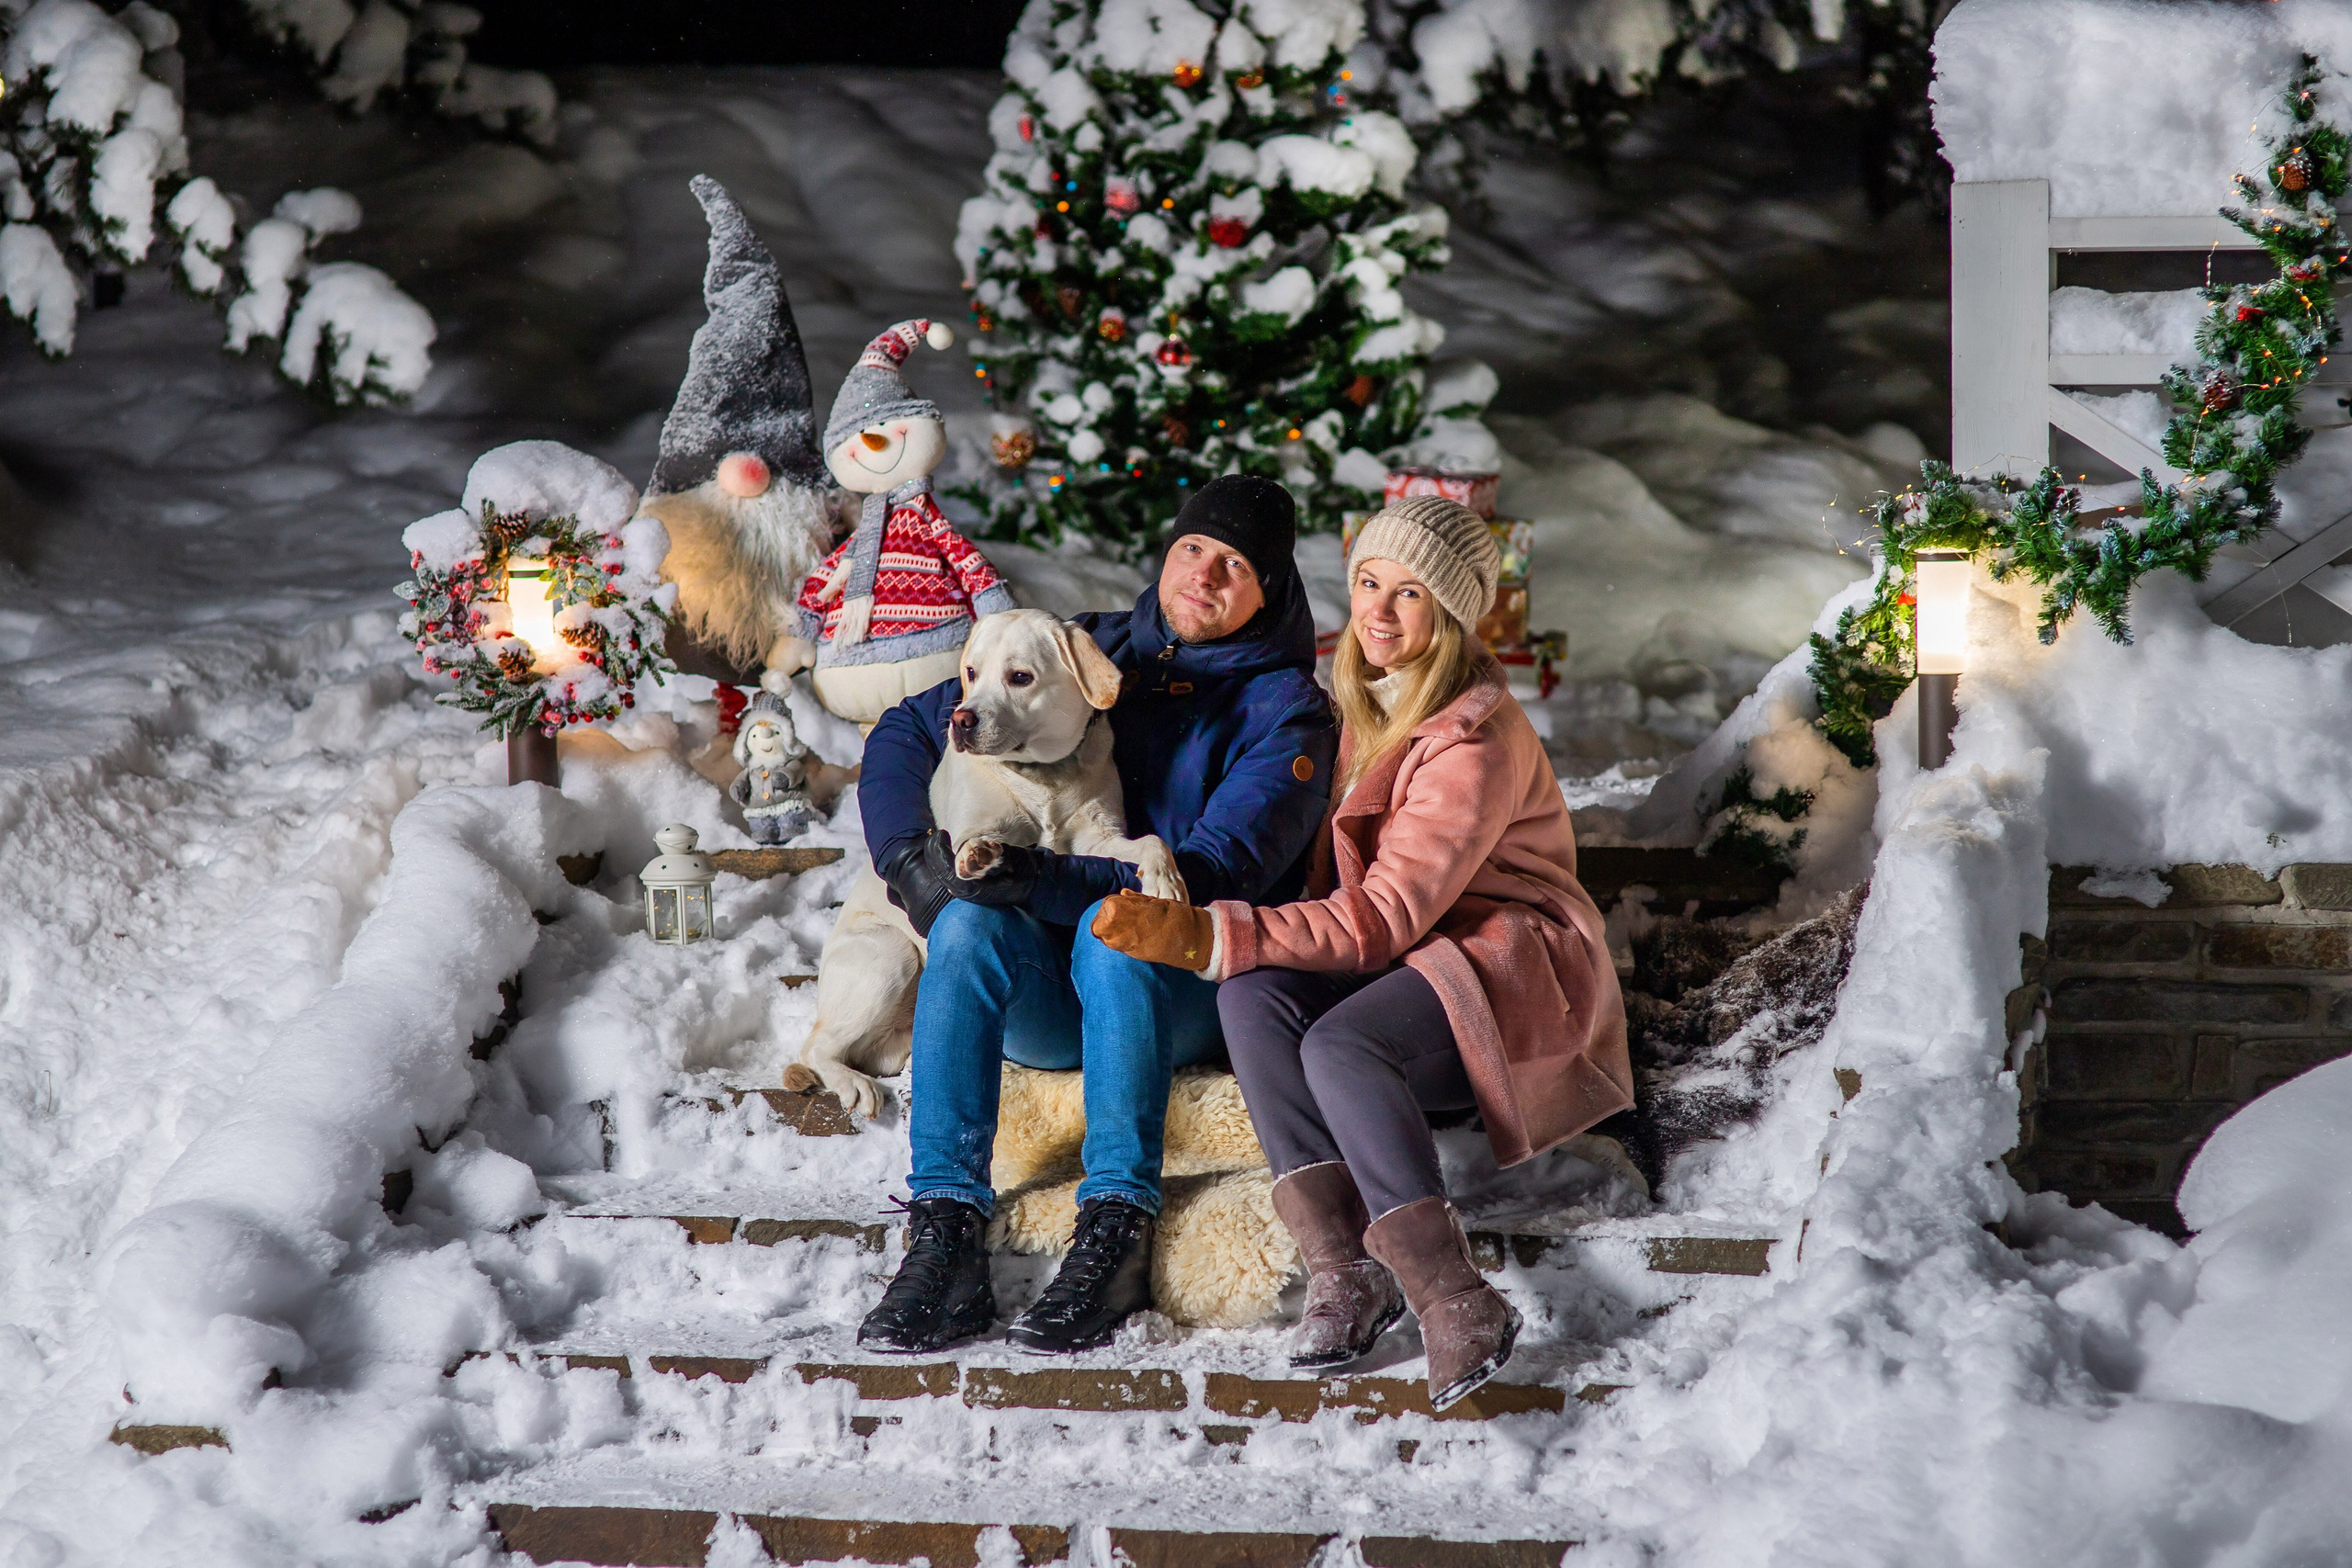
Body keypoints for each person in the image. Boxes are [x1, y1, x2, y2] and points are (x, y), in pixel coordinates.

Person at [1091, 495, 1631, 1411]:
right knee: (1250, 993)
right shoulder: (1350, 707)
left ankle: (1450, 1292)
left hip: (1503, 967)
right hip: (1411, 956)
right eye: (1370, 584)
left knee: (1339, 1042)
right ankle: (1343, 1267)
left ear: (1453, 615)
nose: (1377, 612)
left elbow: (1380, 916)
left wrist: (1215, 931)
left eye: (1410, 594)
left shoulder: (1471, 740)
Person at [854, 474, 1339, 1356]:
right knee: (962, 926)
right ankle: (945, 1231)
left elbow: (1206, 874)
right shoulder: (1087, 648)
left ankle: (1116, 1224)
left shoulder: (1289, 715)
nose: (1203, 574)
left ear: (1272, 589)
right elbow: (907, 731)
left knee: (1119, 935)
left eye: (1235, 564)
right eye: (1192, 548)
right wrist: (906, 861)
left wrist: (1033, 876)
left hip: (1183, 983)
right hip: (1053, 983)